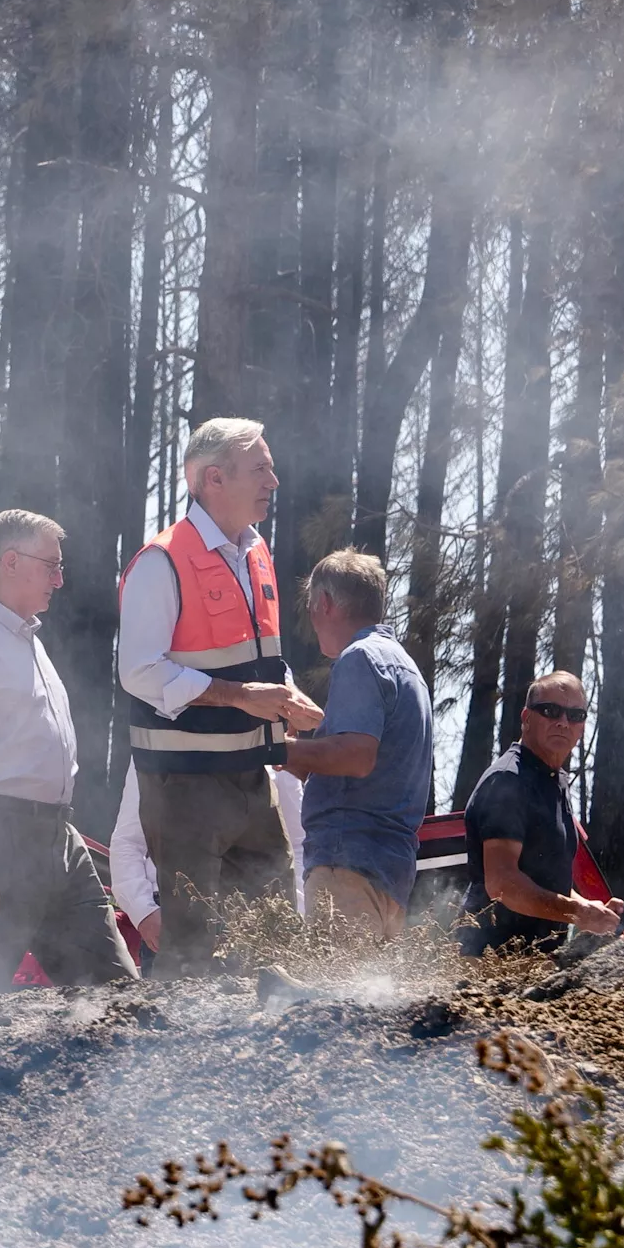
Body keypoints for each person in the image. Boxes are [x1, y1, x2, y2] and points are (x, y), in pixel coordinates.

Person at [117, 417, 324, 976]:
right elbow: (139, 673)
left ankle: (274, 1055)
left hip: (252, 778)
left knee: (276, 935)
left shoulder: (257, 554)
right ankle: (169, 1059)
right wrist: (238, 697)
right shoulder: (160, 561)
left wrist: (288, 697)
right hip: (183, 787)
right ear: (213, 478)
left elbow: (264, 660)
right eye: (260, 469)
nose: (274, 481)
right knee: (191, 949)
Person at [0, 509, 139, 997]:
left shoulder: (29, 642)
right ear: (10, 561)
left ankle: (131, 1073)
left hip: (60, 840)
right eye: (51, 566)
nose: (60, 579)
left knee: (118, 992)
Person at [283, 550, 434, 943]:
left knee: (331, 1002)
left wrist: (270, 750)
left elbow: (355, 756)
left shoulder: (359, 658)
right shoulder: (407, 669)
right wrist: (301, 753)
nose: (312, 618)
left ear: (324, 603)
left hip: (345, 863)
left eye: (311, 607)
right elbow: (370, 765)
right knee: (367, 1002)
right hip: (390, 873)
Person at [458, 672, 624, 955]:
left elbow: (547, 882)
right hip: (487, 963)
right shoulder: (509, 779)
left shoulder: (555, 780)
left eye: (575, 715)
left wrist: (593, 913)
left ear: (583, 727)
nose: (563, 722)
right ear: (526, 717)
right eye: (550, 711)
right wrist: (578, 911)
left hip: (532, 964)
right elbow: (503, 883)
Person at [110, 767, 305, 957]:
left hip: (253, 917)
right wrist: (144, 913)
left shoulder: (267, 749)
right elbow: (128, 841)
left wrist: (294, 914)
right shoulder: (157, 745)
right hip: (172, 912)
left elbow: (297, 844)